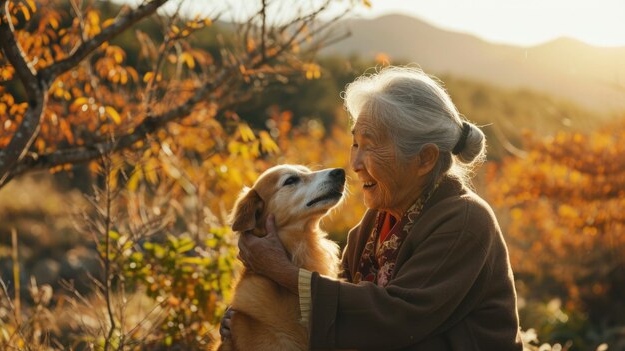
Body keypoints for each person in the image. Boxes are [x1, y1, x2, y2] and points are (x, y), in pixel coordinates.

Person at [223, 66, 523, 350]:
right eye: (355, 144)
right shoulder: (375, 222)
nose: (354, 165)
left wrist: (280, 270)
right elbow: (336, 301)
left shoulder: (465, 220)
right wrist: (253, 321)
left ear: (425, 159)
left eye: (371, 146)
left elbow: (396, 318)